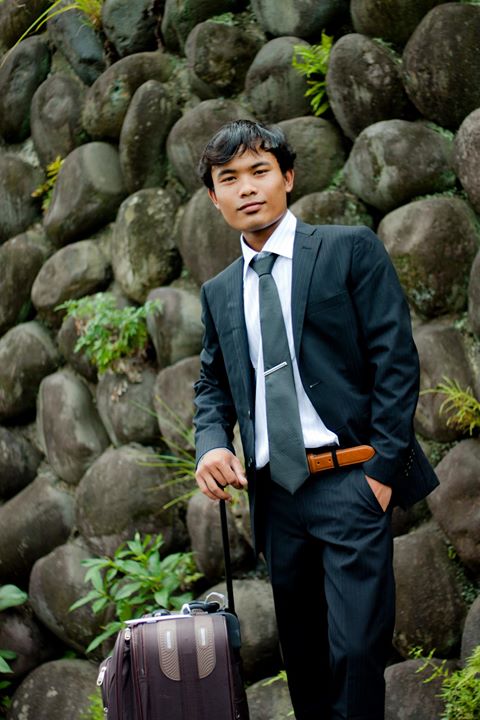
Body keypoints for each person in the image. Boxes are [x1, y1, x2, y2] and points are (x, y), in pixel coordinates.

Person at [193, 119, 438, 720]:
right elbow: (213, 383)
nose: (247, 188)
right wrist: (210, 444)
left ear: (288, 177)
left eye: (260, 171)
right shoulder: (219, 291)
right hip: (277, 499)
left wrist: (380, 473)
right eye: (230, 178)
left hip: (352, 482)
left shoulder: (348, 249)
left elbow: (395, 359)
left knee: (356, 654)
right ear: (214, 198)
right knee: (305, 664)